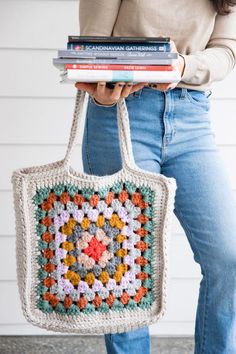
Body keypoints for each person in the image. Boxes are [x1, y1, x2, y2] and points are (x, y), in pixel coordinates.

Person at [75, 1, 236, 353]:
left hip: (192, 116)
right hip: (121, 111)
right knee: (121, 266)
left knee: (230, 255)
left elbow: (227, 51)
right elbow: (92, 46)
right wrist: (100, 85)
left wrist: (183, 66)